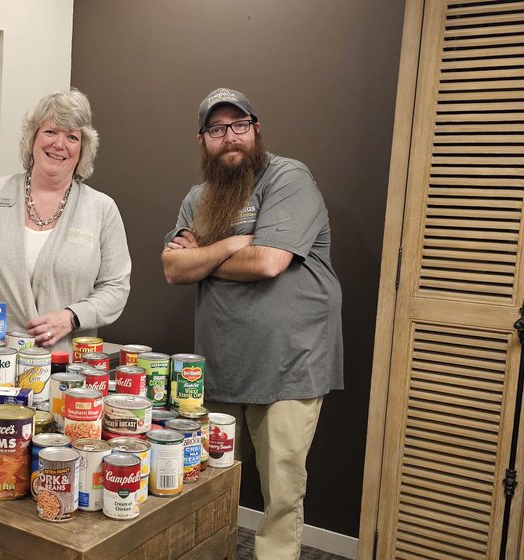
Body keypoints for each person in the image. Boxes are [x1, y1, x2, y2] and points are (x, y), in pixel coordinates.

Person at [161, 88, 343, 560]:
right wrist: (229, 246)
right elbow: (172, 268)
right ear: (202, 140)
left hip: (288, 362)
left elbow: (268, 262)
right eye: (217, 129)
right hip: (219, 363)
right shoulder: (198, 198)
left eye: (239, 125)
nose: (230, 137)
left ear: (255, 129)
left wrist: (204, 255)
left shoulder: (288, 178)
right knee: (204, 476)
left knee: (282, 492)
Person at [0, 89, 131, 351]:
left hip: (65, 370)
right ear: (32, 138)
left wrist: (72, 316)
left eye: (72, 136)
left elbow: (116, 287)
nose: (59, 144)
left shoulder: (101, 209)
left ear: (83, 148)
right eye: (50, 132)